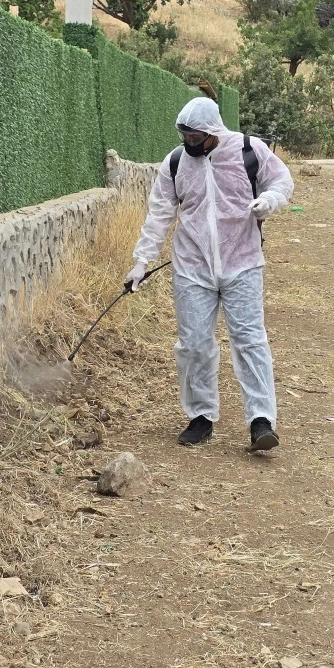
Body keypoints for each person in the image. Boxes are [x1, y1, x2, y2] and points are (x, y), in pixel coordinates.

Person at [127, 97, 295, 451]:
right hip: (192, 267)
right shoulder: (175, 163)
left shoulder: (249, 150)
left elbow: (281, 182)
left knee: (250, 340)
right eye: (185, 136)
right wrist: (141, 261)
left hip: (243, 262)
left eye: (195, 137)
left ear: (213, 131)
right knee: (193, 344)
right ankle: (201, 417)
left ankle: (261, 420)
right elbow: (159, 213)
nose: (189, 142)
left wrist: (269, 201)